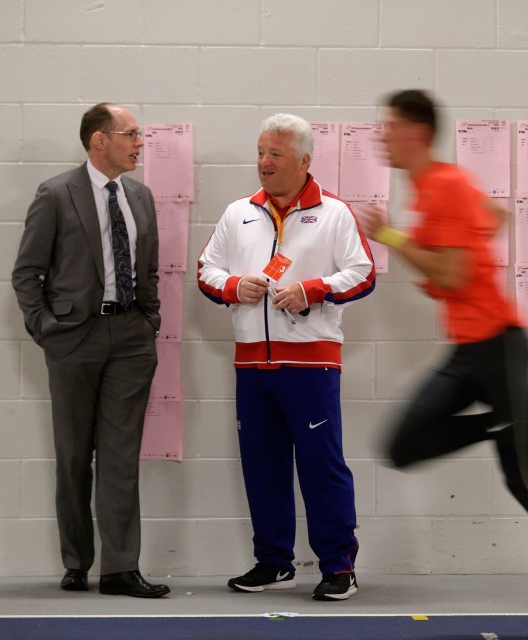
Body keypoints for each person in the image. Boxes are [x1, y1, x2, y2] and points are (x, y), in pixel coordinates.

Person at [358, 90, 528, 636]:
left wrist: (387, 234)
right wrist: (460, 236)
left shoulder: (446, 186)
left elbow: (453, 275)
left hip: (498, 347)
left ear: (416, 131)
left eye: (389, 127)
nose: (381, 137)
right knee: (403, 446)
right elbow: (493, 218)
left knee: (524, 482)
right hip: (468, 352)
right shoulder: (434, 189)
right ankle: (523, 414)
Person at [197, 113, 376, 601]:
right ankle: (274, 562)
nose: (264, 163)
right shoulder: (239, 213)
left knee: (322, 466)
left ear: (304, 160)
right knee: (262, 466)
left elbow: (363, 273)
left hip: (311, 366)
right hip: (252, 366)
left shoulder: (335, 213)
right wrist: (234, 285)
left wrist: (312, 289)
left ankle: (339, 567)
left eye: (275, 154)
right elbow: (205, 269)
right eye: (260, 152)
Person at [12, 103, 169, 598]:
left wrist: (148, 322)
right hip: (73, 339)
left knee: (122, 457)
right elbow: (27, 272)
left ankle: (121, 569)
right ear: (100, 140)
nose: (140, 143)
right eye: (131, 134)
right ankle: (77, 562)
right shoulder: (56, 193)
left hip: (130, 341)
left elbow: (148, 271)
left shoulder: (140, 197)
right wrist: (47, 329)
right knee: (74, 455)